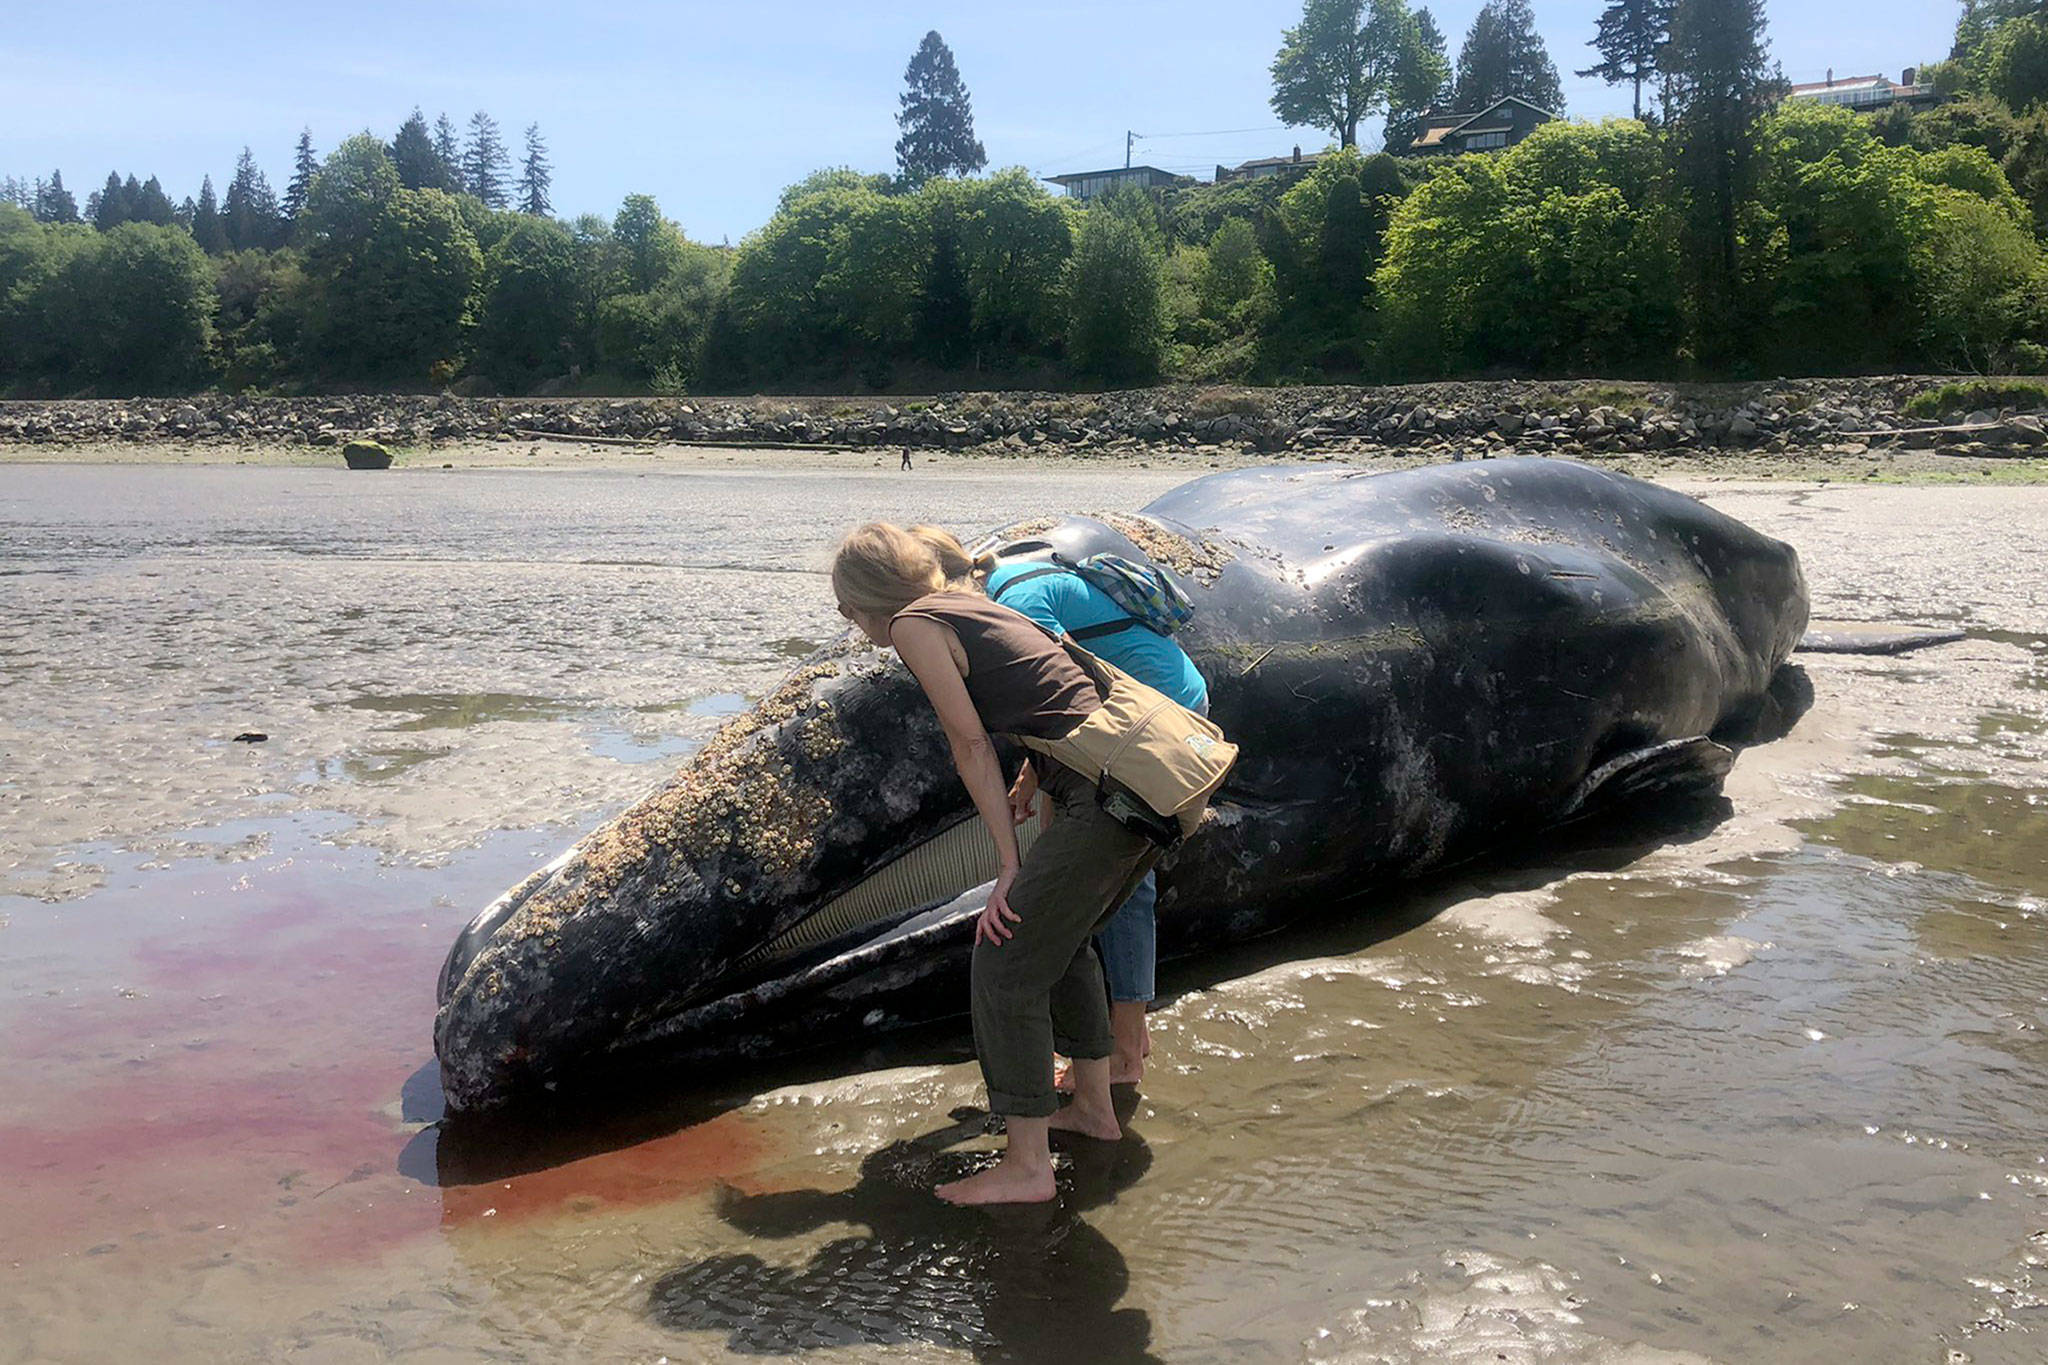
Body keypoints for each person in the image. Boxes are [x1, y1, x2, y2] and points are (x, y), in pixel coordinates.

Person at [830, 522, 1159, 1205]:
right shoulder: (976, 601)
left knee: (1004, 953)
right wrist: (1035, 780)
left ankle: (1027, 1166)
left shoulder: (916, 624)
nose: (849, 623)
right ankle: (1094, 1111)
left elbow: (970, 744)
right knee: (1058, 941)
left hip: (1104, 797)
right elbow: (1061, 693)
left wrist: (1006, 865)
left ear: (869, 599)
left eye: (845, 608)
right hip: (1135, 788)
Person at [980, 550, 1208, 1088]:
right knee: (1099, 875)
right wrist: (1035, 776)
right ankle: (1123, 1036)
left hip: (1157, 720)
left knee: (1118, 883)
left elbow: (1063, 683)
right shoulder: (1023, 577)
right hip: (1159, 703)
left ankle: (1125, 1049)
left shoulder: (1014, 602)